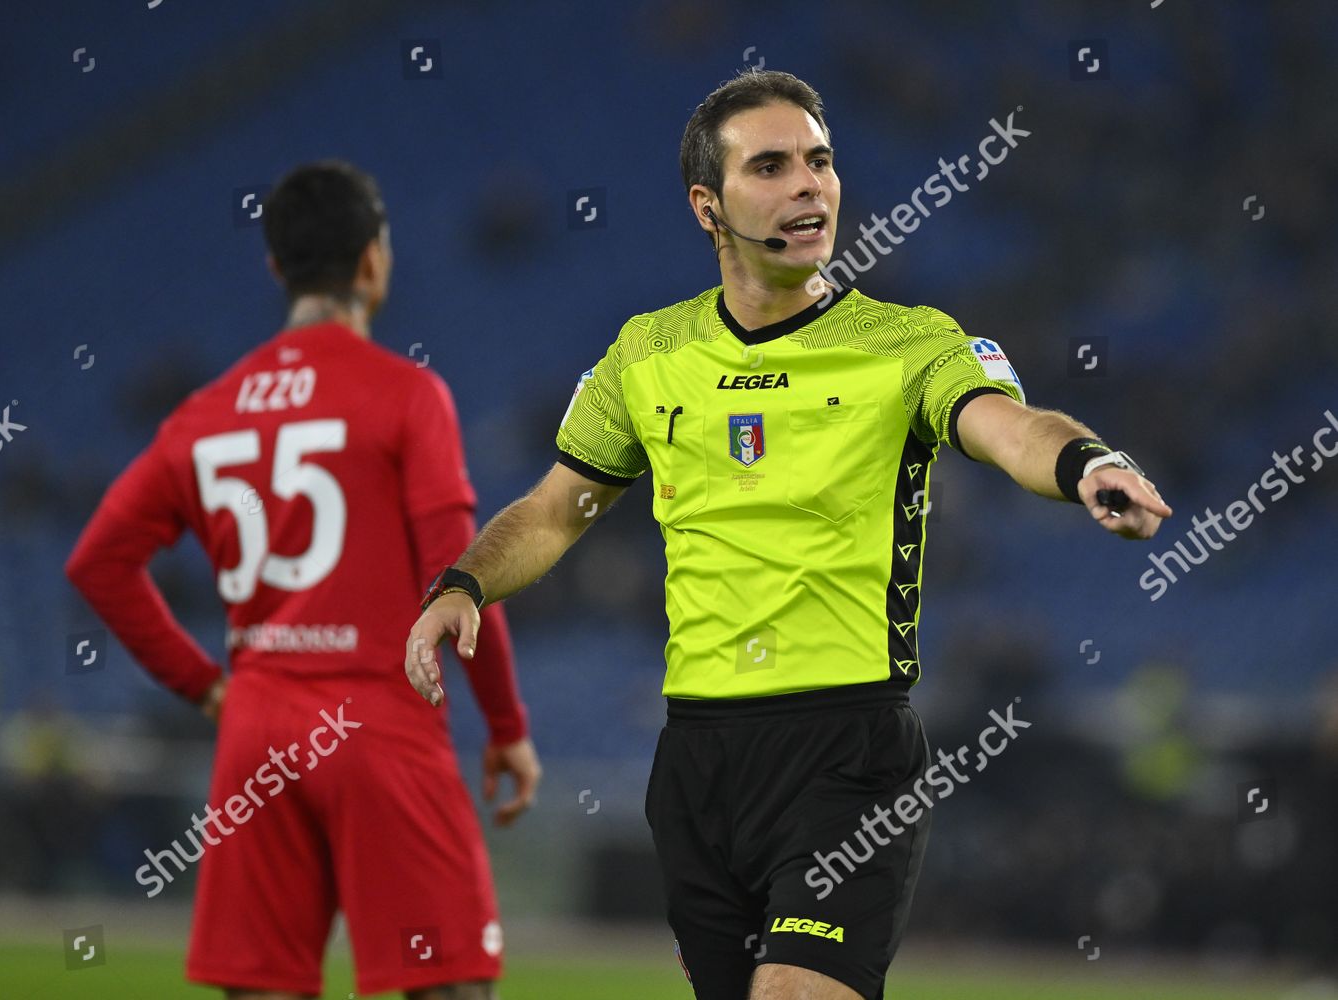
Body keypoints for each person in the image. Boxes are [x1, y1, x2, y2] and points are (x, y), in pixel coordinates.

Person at [403, 70, 1171, 1000]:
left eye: (820, 161)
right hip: (696, 767)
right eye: (770, 166)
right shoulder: (648, 353)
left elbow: (1006, 426)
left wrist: (1086, 461)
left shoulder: (906, 343)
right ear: (708, 206)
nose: (808, 185)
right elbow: (559, 507)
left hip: (849, 755)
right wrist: (464, 585)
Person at [67, 160, 539, 1000]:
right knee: (450, 983)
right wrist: (506, 723)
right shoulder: (407, 395)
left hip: (257, 727)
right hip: (381, 720)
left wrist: (209, 688)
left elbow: (97, 564)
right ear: (372, 262)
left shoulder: (203, 412)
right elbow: (460, 577)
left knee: (263, 989)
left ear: (277, 270)